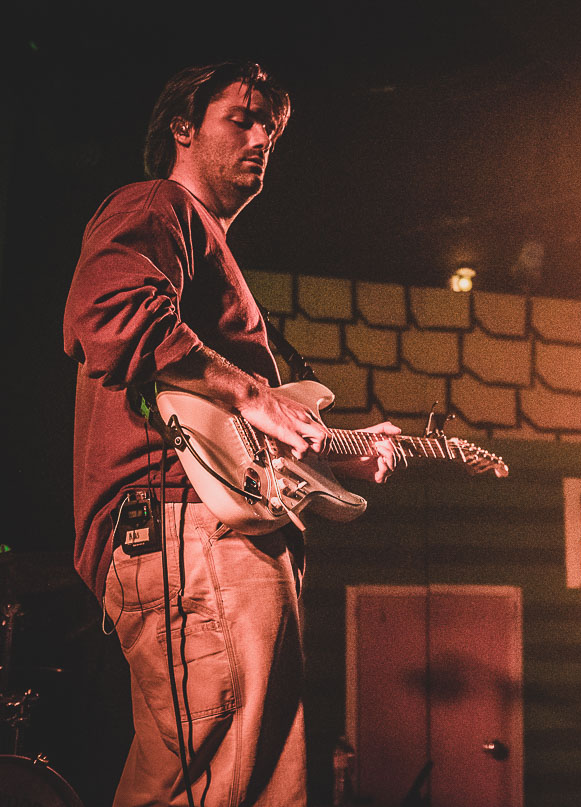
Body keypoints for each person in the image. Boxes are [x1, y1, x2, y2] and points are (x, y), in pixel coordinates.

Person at [62, 61, 398, 806]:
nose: (261, 138)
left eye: (270, 128)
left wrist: (330, 447)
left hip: (208, 533)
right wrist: (253, 391)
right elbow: (108, 313)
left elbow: (220, 426)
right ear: (182, 127)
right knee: (213, 777)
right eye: (240, 118)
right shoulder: (155, 203)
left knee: (242, 779)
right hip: (184, 529)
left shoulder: (201, 240)